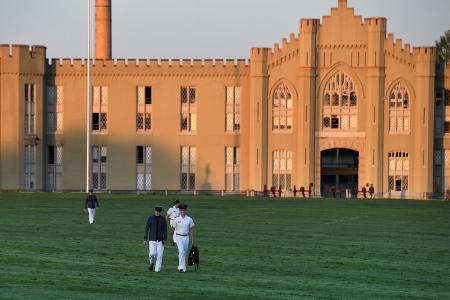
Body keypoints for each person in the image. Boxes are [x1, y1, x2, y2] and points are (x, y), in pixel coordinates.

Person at [170, 204, 195, 273]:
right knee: (181, 251)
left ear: (185, 211)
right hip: (178, 237)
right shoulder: (176, 219)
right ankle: (180, 267)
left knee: (184, 253)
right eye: (181, 210)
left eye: (183, 210)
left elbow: (191, 230)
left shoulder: (189, 219)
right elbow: (172, 230)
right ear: (179, 211)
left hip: (186, 237)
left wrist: (193, 240)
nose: (182, 211)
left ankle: (183, 268)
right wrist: (172, 239)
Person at [144, 205, 167, 272]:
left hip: (160, 240)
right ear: (154, 211)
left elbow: (165, 229)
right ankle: (151, 263)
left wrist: (165, 238)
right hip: (152, 240)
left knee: (160, 256)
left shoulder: (163, 219)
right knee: (152, 254)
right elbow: (147, 229)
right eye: (156, 211)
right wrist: (145, 239)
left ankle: (157, 269)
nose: (157, 212)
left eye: (159, 211)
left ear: (160, 211)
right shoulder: (150, 218)